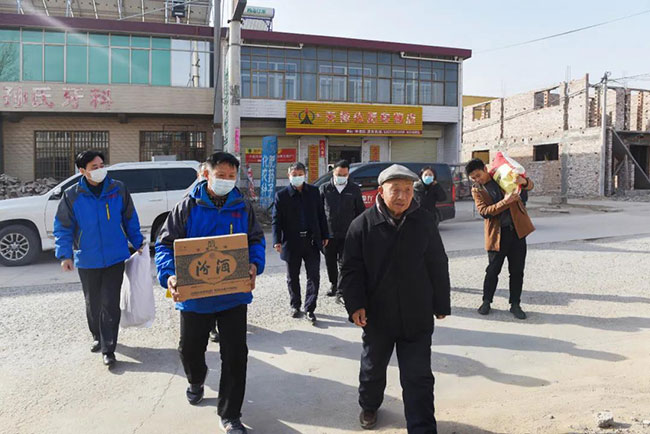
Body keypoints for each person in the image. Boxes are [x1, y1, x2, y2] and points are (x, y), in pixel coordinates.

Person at [155, 152, 265, 434]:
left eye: (231, 176)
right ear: (206, 175)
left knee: (236, 355)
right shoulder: (187, 206)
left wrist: (255, 264)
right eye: (221, 175)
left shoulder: (242, 206)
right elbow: (165, 245)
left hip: (233, 296)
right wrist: (169, 275)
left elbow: (255, 240)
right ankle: (196, 379)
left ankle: (230, 415)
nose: (227, 181)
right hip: (195, 297)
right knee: (190, 349)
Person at [340, 164, 451, 433]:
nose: (403, 196)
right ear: (381, 191)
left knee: (418, 376)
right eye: (396, 190)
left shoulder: (424, 221)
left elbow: (437, 262)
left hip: (416, 313)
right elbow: (351, 269)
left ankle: (422, 428)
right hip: (378, 315)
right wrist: (355, 304)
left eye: (408, 190)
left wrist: (441, 302)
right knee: (373, 368)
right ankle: (369, 405)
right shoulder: (362, 225)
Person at [54, 150, 144, 368]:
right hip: (87, 258)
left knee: (110, 303)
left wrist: (138, 242)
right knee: (92, 302)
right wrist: (65, 255)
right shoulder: (72, 195)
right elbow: (63, 227)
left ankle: (108, 348)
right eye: (94, 167)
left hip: (115, 256)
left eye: (102, 165)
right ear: (82, 171)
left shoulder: (118, 189)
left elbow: (129, 217)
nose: (100, 170)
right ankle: (97, 334)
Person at [465, 158, 535, 320]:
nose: (477, 180)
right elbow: (485, 212)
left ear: (485, 169)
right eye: (473, 178)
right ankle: (486, 301)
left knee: (517, 271)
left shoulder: (501, 175)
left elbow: (530, 186)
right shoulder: (477, 190)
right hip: (497, 235)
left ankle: (515, 304)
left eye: (478, 175)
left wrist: (524, 182)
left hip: (517, 232)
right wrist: (505, 202)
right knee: (492, 270)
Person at [272, 162, 329, 323]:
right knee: (292, 276)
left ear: (305, 175)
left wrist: (325, 234)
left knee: (314, 276)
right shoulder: (282, 196)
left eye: (300, 174)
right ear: (289, 176)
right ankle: (295, 305)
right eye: (294, 175)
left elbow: (321, 215)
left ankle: (310, 308)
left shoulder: (314, 192)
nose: (297, 177)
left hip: (311, 241)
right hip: (291, 242)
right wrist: (276, 240)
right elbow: (276, 220)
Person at [319, 160, 365, 304]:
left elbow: (360, 211)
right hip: (329, 234)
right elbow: (318, 212)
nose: (342, 177)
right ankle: (334, 284)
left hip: (348, 233)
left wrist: (359, 231)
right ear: (333, 172)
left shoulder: (354, 189)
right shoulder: (325, 188)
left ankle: (342, 290)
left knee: (344, 263)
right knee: (330, 261)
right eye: (339, 174)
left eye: (345, 175)